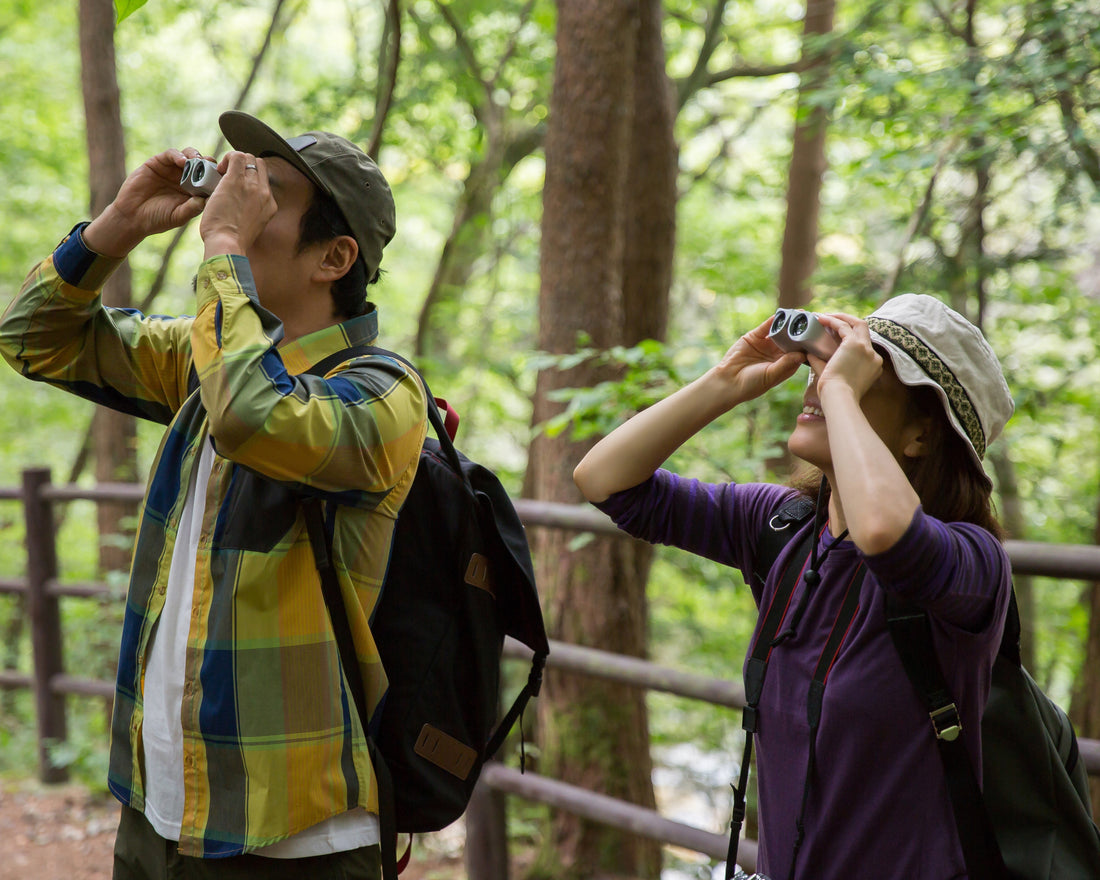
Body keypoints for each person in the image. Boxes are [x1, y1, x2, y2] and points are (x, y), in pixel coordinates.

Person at [0, 112, 428, 879]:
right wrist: (117, 226)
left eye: (272, 190)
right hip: (157, 812)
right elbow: (32, 338)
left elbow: (253, 415)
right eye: (240, 175)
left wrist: (224, 249)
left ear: (334, 257)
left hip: (295, 839)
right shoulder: (208, 360)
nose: (241, 192)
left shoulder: (383, 393)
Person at [573, 295, 1016, 879]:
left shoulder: (971, 564)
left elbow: (889, 534)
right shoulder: (782, 526)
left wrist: (837, 392)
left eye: (858, 380)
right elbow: (606, 481)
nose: (817, 387)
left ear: (921, 437)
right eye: (817, 371)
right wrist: (726, 381)